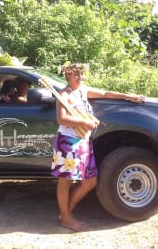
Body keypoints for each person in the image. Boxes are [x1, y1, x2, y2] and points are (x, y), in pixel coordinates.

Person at [51, 62, 145, 232]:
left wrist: (128, 96)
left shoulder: (83, 91)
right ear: (68, 76)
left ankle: (66, 213)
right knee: (66, 181)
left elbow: (105, 93)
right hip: (68, 141)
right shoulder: (63, 95)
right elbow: (62, 119)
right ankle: (66, 218)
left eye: (82, 74)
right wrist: (86, 122)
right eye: (76, 74)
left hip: (84, 142)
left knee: (89, 182)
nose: (81, 77)